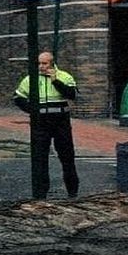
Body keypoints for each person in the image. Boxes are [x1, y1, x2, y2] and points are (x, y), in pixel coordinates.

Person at [13, 51, 80, 198]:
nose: (41, 66)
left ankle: (72, 190)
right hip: (40, 121)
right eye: (39, 63)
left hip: (60, 120)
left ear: (52, 63)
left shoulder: (64, 76)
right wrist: (32, 110)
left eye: (44, 63)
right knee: (40, 157)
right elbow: (18, 97)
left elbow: (72, 94)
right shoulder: (31, 79)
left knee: (67, 155)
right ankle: (41, 192)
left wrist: (55, 80)